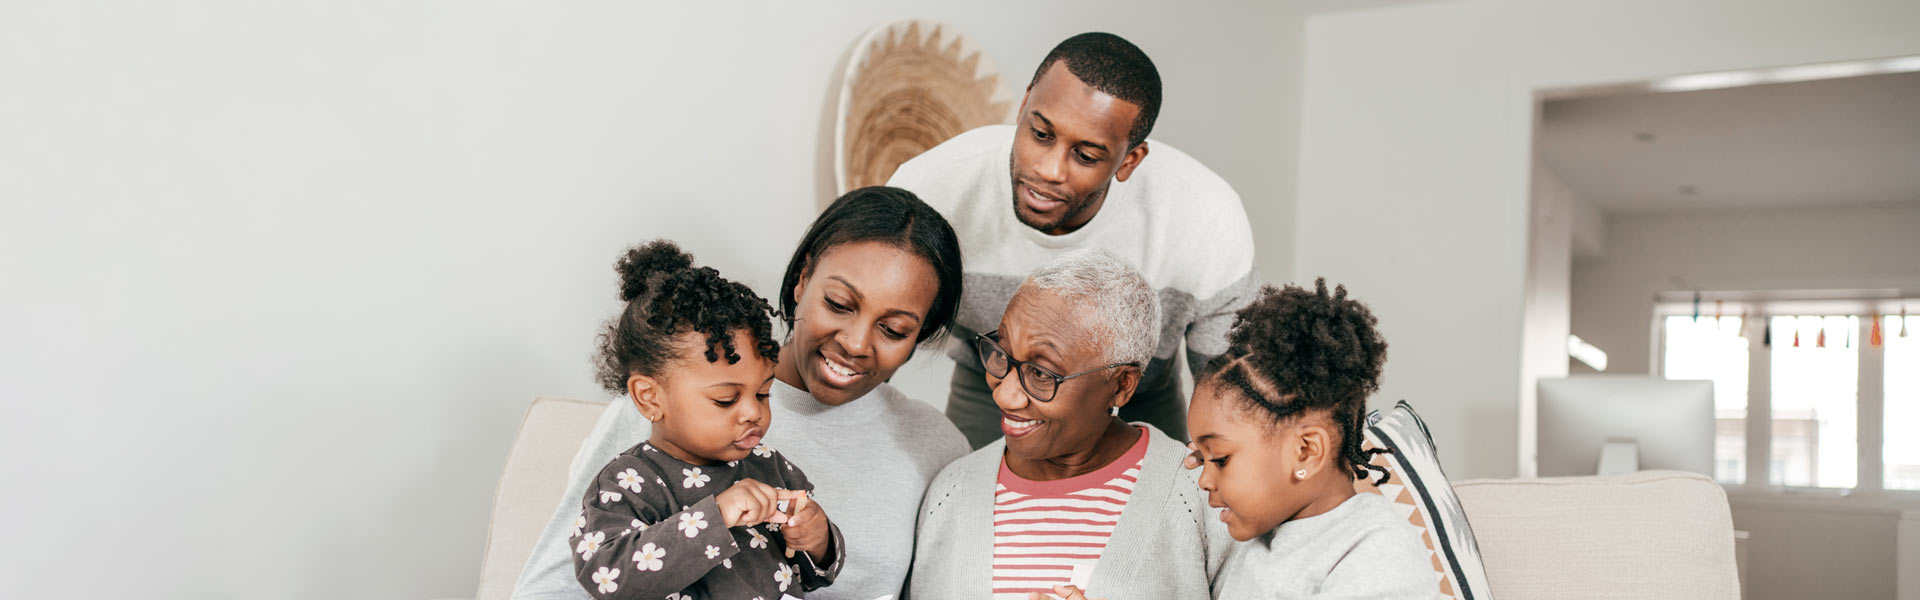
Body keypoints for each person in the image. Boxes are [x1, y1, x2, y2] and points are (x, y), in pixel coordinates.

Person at [516, 187, 973, 600]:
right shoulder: (665, 408)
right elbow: (555, 586)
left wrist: (818, 539)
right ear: (803, 278)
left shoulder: (933, 447)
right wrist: (712, 519)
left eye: (894, 329)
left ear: (920, 335)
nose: (855, 343)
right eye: (838, 304)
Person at [886, 32, 1258, 449]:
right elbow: (875, 341)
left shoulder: (1205, 218)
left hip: (1140, 400)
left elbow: (1234, 401)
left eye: (1085, 156)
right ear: (1025, 103)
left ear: (1128, 160)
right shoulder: (932, 190)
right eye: (1041, 134)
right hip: (993, 389)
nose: (1049, 170)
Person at [908, 249, 1230, 600]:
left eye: (1042, 374)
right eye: (1001, 353)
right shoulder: (950, 492)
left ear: (1122, 385)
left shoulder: (1203, 495)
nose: (1006, 397)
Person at [568, 239, 843, 598]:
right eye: (726, 399)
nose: (753, 412)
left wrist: (817, 538)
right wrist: (717, 516)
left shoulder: (769, 468)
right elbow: (610, 577)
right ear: (649, 396)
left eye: (763, 393)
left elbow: (809, 575)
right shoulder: (628, 482)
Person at [1186, 279, 1435, 599]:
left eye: (1220, 458)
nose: (1204, 479)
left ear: (1305, 452)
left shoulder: (1378, 552)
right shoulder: (1260, 536)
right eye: (1202, 458)